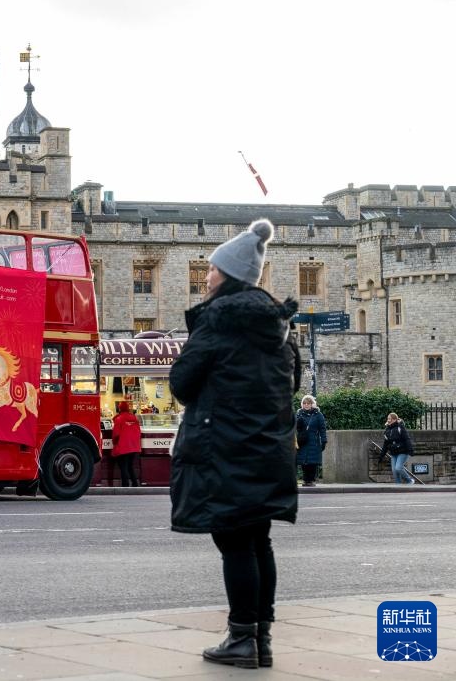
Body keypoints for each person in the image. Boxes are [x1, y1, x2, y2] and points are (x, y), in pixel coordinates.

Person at [169, 218, 300, 670]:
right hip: (267, 449)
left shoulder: (218, 321)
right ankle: (260, 638)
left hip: (225, 448)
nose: (206, 276)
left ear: (229, 275)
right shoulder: (277, 328)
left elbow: (182, 383)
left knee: (234, 542)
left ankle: (242, 638)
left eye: (211, 269)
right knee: (257, 540)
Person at [295, 395, 328, 487]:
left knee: (312, 462)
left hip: (314, 441)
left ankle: (311, 480)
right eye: (304, 403)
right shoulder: (299, 414)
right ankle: (305, 480)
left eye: (308, 403)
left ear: (312, 404)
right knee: (303, 461)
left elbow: (322, 428)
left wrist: (324, 440)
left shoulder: (318, 415)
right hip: (302, 441)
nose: (306, 405)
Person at [111, 401, 142, 486]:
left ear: (119, 409)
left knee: (123, 467)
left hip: (123, 447)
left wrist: (114, 443)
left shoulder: (119, 419)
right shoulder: (134, 418)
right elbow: (139, 433)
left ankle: (125, 485)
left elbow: (115, 434)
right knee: (130, 466)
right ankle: (135, 484)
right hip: (134, 447)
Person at [383, 412, 416, 484]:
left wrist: (410, 450)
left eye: (389, 418)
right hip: (394, 452)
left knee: (398, 468)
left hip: (403, 451)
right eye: (387, 419)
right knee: (394, 471)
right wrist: (382, 454)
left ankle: (409, 480)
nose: (388, 420)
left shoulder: (400, 427)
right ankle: (398, 485)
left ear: (394, 419)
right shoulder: (388, 429)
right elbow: (386, 442)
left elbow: (407, 439)